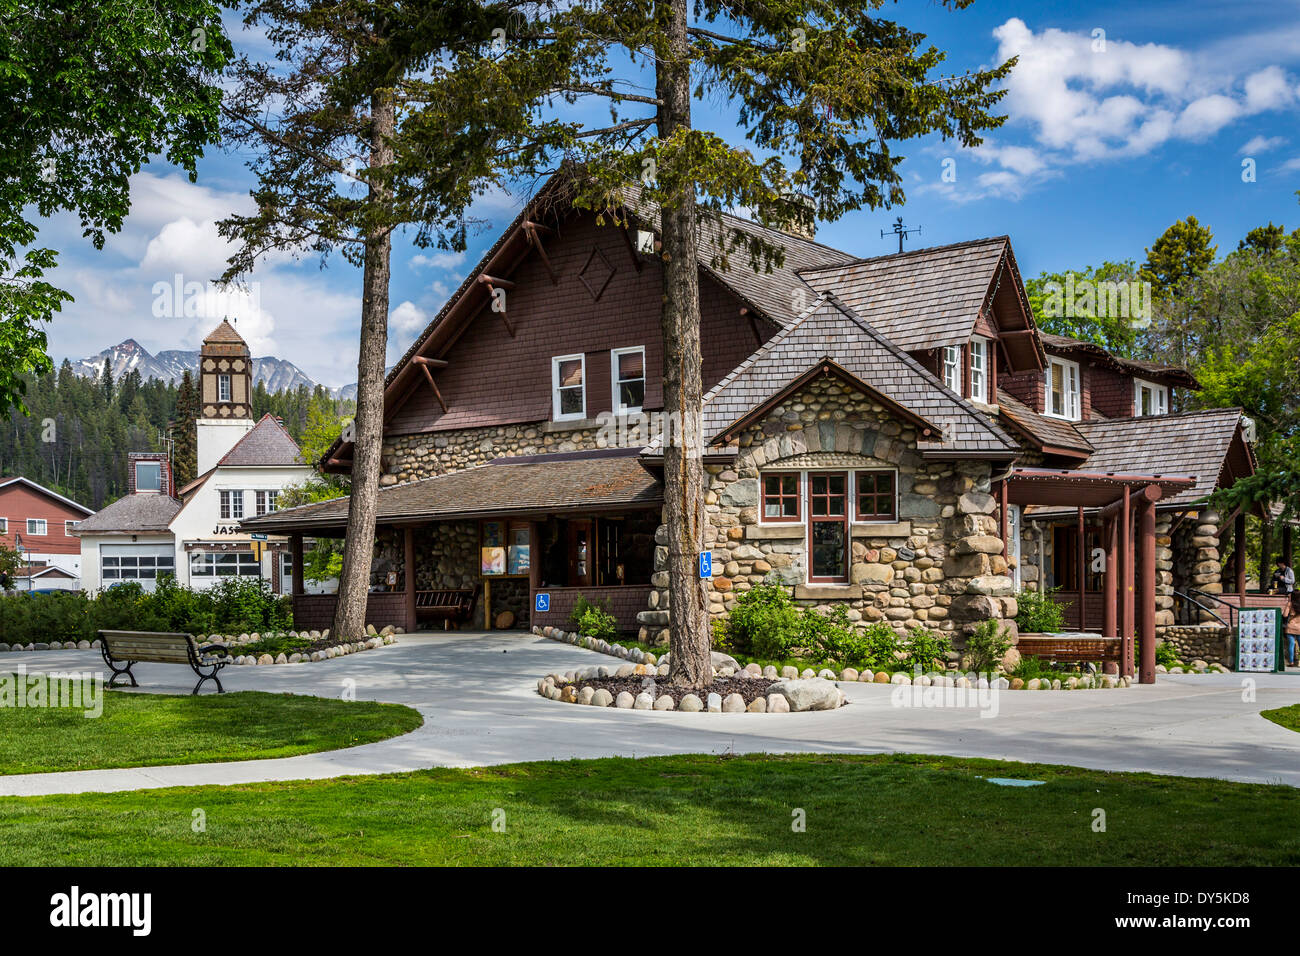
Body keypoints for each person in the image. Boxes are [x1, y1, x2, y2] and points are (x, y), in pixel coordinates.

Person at [1286, 592, 1300, 667]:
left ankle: (1291, 662)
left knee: (1291, 645)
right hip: (1299, 628)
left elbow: (1285, 615)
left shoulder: (1290, 604)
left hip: (1290, 627)